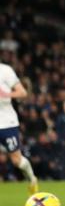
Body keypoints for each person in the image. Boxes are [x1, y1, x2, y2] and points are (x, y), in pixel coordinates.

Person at [0, 61, 38, 194]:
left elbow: (22, 92)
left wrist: (6, 95)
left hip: (6, 122)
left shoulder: (5, 71)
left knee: (17, 160)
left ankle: (32, 178)